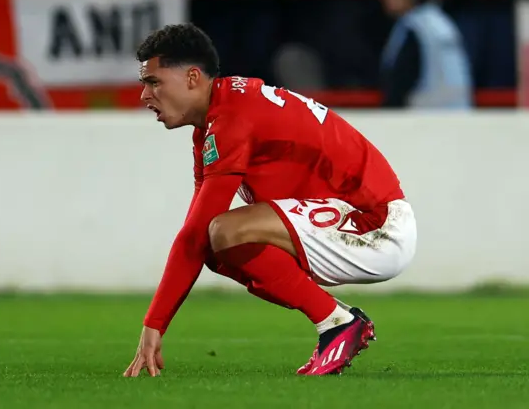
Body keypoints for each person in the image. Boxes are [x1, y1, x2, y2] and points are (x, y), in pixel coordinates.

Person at [124, 23, 417, 378]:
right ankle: (337, 320)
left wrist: (154, 323)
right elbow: (196, 234)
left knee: (221, 232)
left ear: (191, 77)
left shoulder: (231, 118)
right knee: (216, 244)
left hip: (376, 225)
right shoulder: (214, 123)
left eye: (154, 82)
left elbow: (197, 232)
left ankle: (337, 323)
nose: (144, 96)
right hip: (351, 218)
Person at [379, 0, 473, 108]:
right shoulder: (442, 23)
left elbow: (398, 86)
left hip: (426, 121)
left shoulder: (414, 28)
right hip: (460, 118)